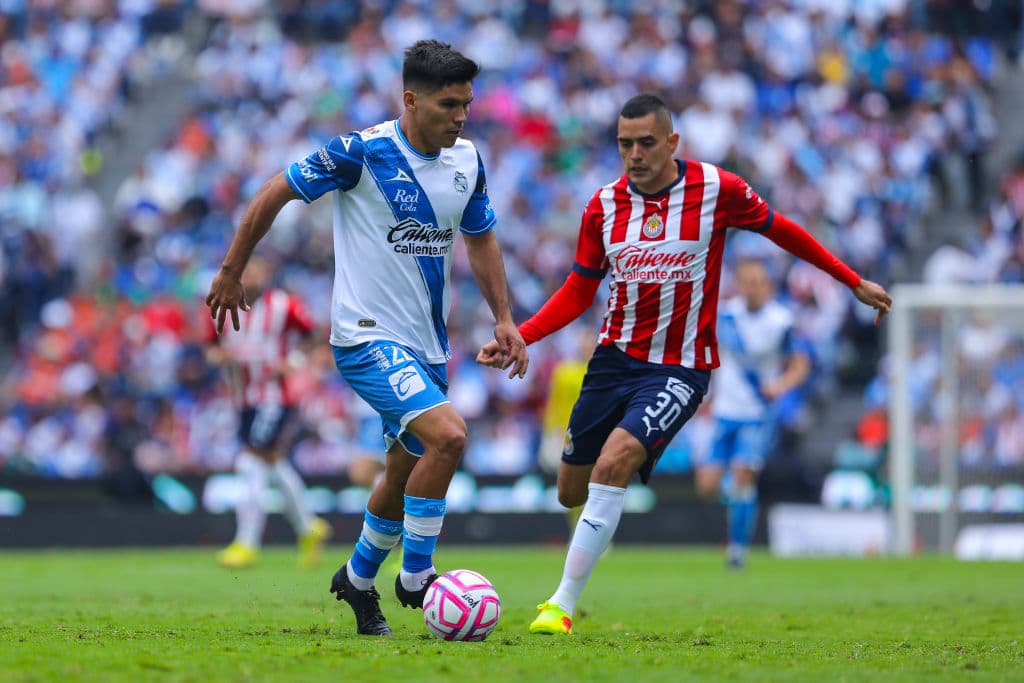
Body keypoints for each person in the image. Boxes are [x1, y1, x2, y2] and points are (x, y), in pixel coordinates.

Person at [477, 93, 893, 635]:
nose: (635, 154)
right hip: (611, 362)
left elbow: (783, 229)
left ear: (672, 142)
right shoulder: (602, 206)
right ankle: (595, 530)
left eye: (646, 142)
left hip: (680, 367)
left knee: (615, 463)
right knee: (570, 491)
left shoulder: (717, 189)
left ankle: (560, 605)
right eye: (625, 144)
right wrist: (522, 335)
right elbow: (580, 289)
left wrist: (852, 280)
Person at [205, 40, 528, 636]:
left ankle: (356, 579)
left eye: (467, 104)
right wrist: (230, 270)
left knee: (404, 472)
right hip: (365, 338)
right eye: (449, 104)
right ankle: (418, 577)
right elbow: (275, 190)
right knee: (450, 437)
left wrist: (503, 317)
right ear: (411, 99)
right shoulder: (361, 152)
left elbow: (479, 237)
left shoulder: (468, 160)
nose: (461, 116)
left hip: (428, 346)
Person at [206, 257, 331, 570]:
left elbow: (315, 337)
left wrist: (297, 363)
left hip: (275, 396)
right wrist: (218, 357)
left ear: (266, 272)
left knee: (250, 459)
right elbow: (211, 346)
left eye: (256, 268)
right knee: (271, 462)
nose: (251, 275)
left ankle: (246, 544)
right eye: (246, 269)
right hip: (242, 398)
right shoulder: (223, 304)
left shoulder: (283, 306)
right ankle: (309, 526)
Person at [695, 257, 812, 570]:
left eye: (758, 282)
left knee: (743, 476)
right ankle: (738, 502)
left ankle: (737, 550)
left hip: (758, 413)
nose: (753, 288)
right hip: (724, 410)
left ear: (768, 285)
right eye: (747, 282)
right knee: (706, 485)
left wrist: (780, 385)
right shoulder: (725, 316)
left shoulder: (781, 321)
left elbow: (801, 364)